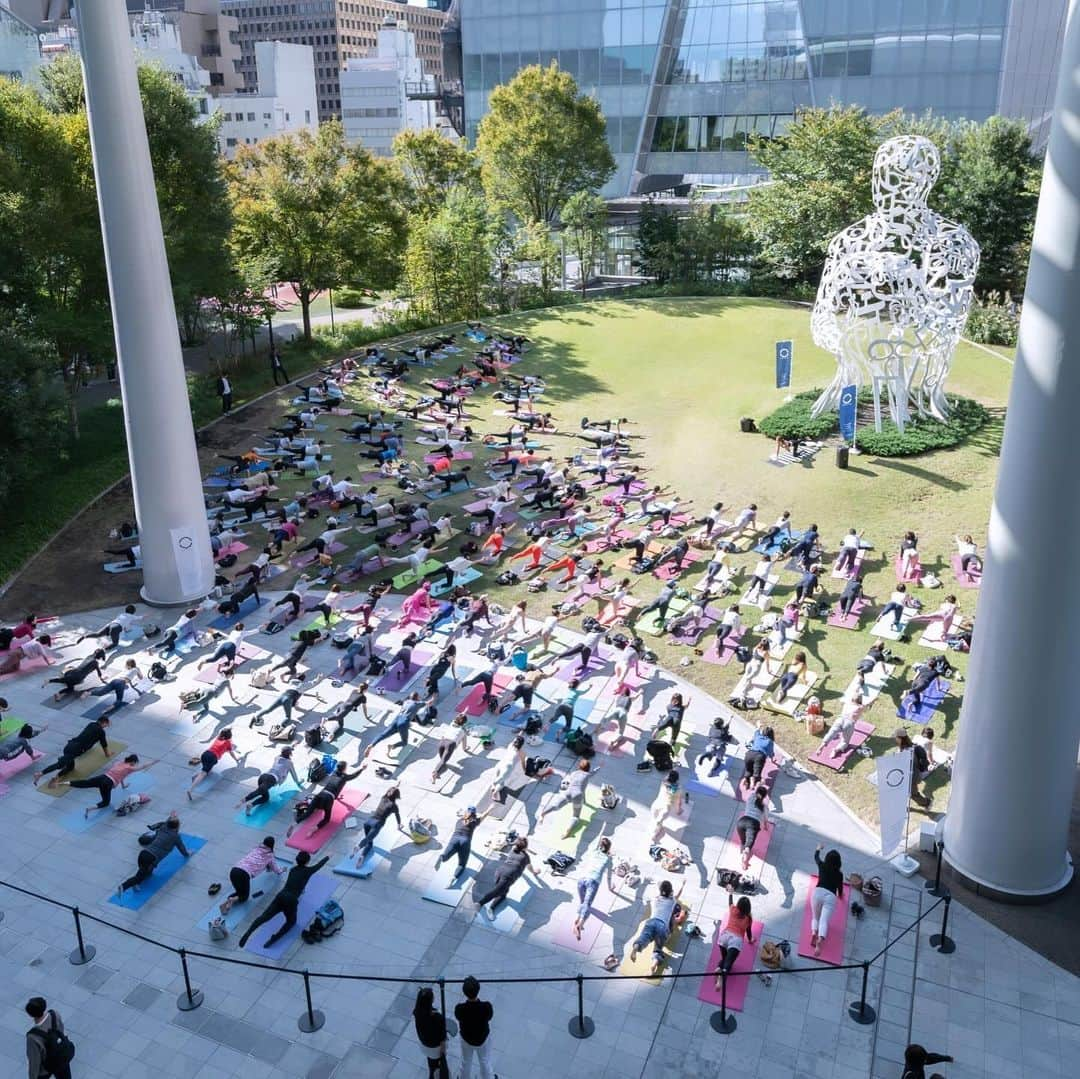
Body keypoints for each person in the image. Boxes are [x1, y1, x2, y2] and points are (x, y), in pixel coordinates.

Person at [236, 851, 330, 949]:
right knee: (291, 922)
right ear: (307, 862)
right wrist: (328, 856)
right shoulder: (308, 871)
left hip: (281, 896)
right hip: (291, 900)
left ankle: (248, 932)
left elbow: (294, 882)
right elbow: (319, 865)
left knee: (264, 917)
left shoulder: (293, 870)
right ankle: (273, 939)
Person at [62, 752, 157, 817]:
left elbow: (122, 776)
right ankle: (89, 809)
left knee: (85, 783)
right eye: (135, 763)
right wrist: (153, 762)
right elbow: (143, 767)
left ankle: (65, 783)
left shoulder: (119, 762)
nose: (135, 765)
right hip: (107, 783)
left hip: (102, 777)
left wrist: (123, 786)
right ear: (133, 761)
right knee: (106, 802)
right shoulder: (130, 768)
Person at [118, 812, 190, 894]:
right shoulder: (175, 837)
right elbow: (181, 847)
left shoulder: (163, 827)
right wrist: (187, 854)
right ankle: (123, 886)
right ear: (177, 826)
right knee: (140, 876)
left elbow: (168, 822)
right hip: (150, 858)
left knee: (146, 872)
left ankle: (137, 882)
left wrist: (171, 817)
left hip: (143, 853)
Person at [34, 717, 111, 788]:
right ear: (103, 723)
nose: (106, 726)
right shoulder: (101, 732)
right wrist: (107, 754)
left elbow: (87, 736)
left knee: (70, 767)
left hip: (70, 745)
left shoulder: (91, 724)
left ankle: (57, 776)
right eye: (106, 725)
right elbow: (104, 744)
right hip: (75, 750)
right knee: (59, 765)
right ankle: (40, 774)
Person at [219, 837, 286, 915]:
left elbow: (257, 860)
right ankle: (232, 899)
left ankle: (227, 903)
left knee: (239, 892)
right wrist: (282, 870)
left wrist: (267, 866)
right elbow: (276, 869)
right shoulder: (270, 855)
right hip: (244, 874)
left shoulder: (256, 848)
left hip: (234, 870)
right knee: (245, 897)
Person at [630, 879, 686, 971]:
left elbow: (660, 888)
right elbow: (678, 893)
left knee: (644, 937)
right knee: (658, 947)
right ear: (670, 892)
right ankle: (654, 962)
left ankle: (636, 948)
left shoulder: (654, 899)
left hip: (651, 922)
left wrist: (657, 884)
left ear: (660, 891)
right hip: (662, 925)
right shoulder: (672, 901)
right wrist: (682, 884)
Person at [293, 758, 363, 831]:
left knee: (309, 811)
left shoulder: (334, 773)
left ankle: (295, 823)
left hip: (321, 793)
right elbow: (353, 776)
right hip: (328, 798)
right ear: (344, 769)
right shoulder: (344, 777)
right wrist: (362, 769)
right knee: (327, 818)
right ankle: (315, 828)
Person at [476, 836, 533, 918]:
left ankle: (491, 908)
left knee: (503, 894)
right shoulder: (526, 857)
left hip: (499, 872)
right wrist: (534, 872)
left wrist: (522, 848)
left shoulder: (513, 850)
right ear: (526, 847)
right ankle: (480, 903)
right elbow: (529, 867)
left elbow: (513, 845)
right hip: (508, 876)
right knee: (496, 892)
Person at [537, 758, 595, 839]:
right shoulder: (587, 775)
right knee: (575, 816)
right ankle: (567, 832)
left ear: (579, 766)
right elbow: (593, 772)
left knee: (556, 805)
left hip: (568, 792)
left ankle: (543, 814)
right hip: (578, 795)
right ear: (588, 768)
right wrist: (599, 767)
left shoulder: (574, 773)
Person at [713, 886, 755, 987]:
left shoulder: (733, 909)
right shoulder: (748, 919)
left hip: (724, 936)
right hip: (736, 940)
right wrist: (750, 940)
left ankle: (719, 967)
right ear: (748, 908)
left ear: (738, 905)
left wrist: (731, 892)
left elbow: (730, 902)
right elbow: (748, 932)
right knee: (729, 962)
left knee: (725, 957)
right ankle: (721, 978)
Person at [454, 975, 495, 1079]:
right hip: (483, 1039)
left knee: (466, 1061)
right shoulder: (486, 1007)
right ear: (478, 990)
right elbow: (489, 1017)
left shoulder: (460, 1009)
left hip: (466, 1039)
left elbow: (458, 1017)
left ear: (464, 992)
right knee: (485, 1060)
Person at [573, 835, 613, 940]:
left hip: (581, 879)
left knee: (583, 902)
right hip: (593, 881)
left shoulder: (593, 852)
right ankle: (580, 924)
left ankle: (578, 918)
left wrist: (602, 835)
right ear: (609, 849)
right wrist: (610, 887)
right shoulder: (608, 859)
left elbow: (597, 842)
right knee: (587, 903)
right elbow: (608, 876)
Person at [237, 746, 300, 813]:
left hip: (263, 777)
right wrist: (298, 782)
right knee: (259, 791)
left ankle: (250, 805)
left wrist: (290, 748)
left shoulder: (277, 757)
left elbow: (283, 753)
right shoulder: (289, 763)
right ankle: (244, 800)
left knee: (265, 798)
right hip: (270, 779)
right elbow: (294, 774)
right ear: (290, 754)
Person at [435, 803, 491, 878]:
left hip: (455, 839)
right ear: (474, 814)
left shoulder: (459, 820)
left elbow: (462, 814)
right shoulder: (474, 822)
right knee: (462, 864)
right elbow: (484, 815)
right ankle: (454, 877)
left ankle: (442, 858)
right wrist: (490, 808)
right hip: (465, 841)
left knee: (446, 855)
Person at [352, 785, 403, 867]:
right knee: (368, 838)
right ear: (397, 796)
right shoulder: (394, 806)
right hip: (378, 823)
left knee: (369, 842)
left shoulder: (383, 798)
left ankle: (362, 856)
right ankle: (359, 847)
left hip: (369, 821)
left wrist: (396, 786)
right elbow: (397, 816)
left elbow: (390, 791)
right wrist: (399, 825)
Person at [25, 996, 72, 1079]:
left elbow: (34, 1062)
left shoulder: (32, 1037)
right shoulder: (54, 1015)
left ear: (31, 1014)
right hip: (60, 1056)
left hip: (45, 1068)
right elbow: (61, 1031)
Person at [810, 844, 844, 957]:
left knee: (815, 917)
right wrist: (840, 895)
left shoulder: (822, 865)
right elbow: (840, 888)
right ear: (838, 862)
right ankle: (820, 939)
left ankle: (814, 932)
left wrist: (818, 848)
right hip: (830, 896)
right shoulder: (839, 874)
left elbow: (816, 857)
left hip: (817, 892)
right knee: (824, 921)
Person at [188, 728, 241, 799]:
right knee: (203, 774)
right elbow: (231, 753)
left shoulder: (218, 738)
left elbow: (224, 735)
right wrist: (236, 759)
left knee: (208, 771)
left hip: (205, 754)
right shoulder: (227, 742)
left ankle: (196, 777)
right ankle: (190, 789)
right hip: (212, 757)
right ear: (229, 736)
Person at [413, 986, 450, 1079]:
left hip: (425, 1045)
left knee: (431, 1064)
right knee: (438, 1068)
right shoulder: (437, 1018)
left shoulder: (417, 1012)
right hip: (436, 1048)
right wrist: (444, 1051)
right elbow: (442, 1038)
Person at [820, 693, 868, 758]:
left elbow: (854, 693)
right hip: (849, 723)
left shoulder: (847, 703)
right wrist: (874, 700)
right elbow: (868, 705)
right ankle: (835, 750)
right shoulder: (860, 707)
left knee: (831, 733)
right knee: (845, 742)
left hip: (840, 719)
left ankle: (821, 746)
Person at [735, 785, 770, 870]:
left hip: (742, 821)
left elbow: (755, 791)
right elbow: (765, 820)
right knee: (749, 844)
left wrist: (760, 784)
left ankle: (743, 849)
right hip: (753, 824)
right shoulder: (764, 807)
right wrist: (765, 827)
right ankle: (745, 858)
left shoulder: (750, 798)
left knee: (744, 841)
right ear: (765, 796)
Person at [76, 604, 141, 649]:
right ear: (132, 612)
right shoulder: (131, 617)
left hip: (110, 624)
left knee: (98, 634)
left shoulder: (121, 614)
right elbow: (136, 620)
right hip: (115, 628)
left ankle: (84, 636)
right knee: (115, 643)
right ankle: (103, 650)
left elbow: (123, 624)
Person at [431, 713, 472, 784]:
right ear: (464, 723)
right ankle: (435, 772)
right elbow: (464, 745)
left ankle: (438, 773)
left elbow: (458, 719)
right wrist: (465, 749)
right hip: (450, 744)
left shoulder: (451, 724)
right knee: (443, 761)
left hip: (442, 742)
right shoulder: (463, 731)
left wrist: (462, 714)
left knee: (442, 761)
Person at [895, 729, 933, 807]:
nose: (895, 739)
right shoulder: (911, 746)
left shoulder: (906, 752)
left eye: (896, 737)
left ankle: (927, 803)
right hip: (909, 775)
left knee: (913, 794)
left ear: (900, 738)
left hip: (911, 777)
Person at [651, 768, 687, 842]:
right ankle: (656, 831)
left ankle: (656, 832)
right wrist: (678, 810)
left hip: (661, 805)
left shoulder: (665, 783)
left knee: (658, 820)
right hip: (662, 805)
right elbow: (678, 801)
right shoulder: (676, 788)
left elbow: (678, 801)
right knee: (657, 819)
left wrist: (678, 810)